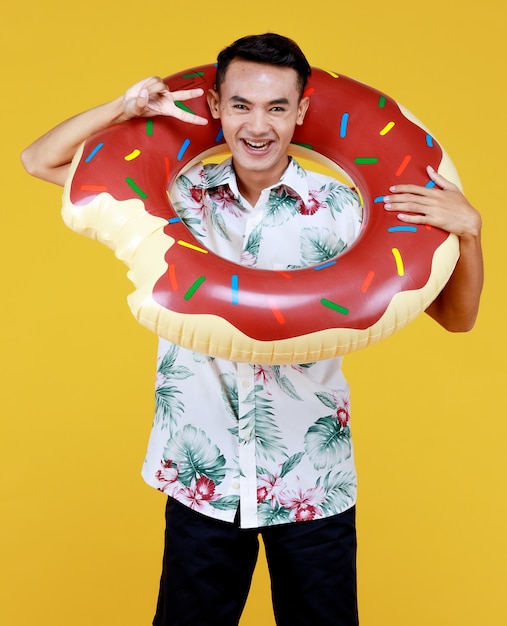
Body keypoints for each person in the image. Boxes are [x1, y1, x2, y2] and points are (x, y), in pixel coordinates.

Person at [21, 33, 483, 626]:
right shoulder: (178, 198)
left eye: (276, 107)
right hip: (202, 479)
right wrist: (123, 108)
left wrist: (469, 233)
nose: (257, 125)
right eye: (241, 105)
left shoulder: (349, 211)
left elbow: (457, 317)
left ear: (302, 111)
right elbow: (40, 161)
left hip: (311, 483)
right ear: (215, 107)